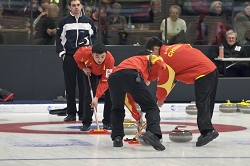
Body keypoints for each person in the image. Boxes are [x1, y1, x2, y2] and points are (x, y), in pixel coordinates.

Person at [145, 36, 219, 147]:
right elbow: (187, 50)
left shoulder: (164, 59)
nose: (152, 57)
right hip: (212, 69)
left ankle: (208, 131)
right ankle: (207, 130)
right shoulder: (174, 47)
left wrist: (160, 99)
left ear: (156, 48)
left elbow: (163, 82)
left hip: (202, 73)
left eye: (151, 53)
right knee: (208, 102)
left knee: (202, 102)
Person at [108, 50, 167, 151]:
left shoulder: (129, 61)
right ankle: (153, 134)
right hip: (132, 74)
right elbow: (160, 64)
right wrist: (150, 78)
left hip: (113, 78)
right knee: (152, 107)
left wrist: (137, 115)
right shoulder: (151, 57)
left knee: (117, 108)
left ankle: (117, 138)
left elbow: (128, 98)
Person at [56, 0, 96, 121]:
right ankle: (71, 113)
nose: (76, 7)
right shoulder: (64, 21)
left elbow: (93, 37)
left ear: (81, 6)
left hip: (84, 59)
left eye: (78, 5)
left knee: (84, 86)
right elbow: (59, 38)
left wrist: (89, 52)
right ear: (69, 7)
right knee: (70, 86)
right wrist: (62, 54)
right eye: (73, 5)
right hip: (69, 57)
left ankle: (83, 113)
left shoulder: (88, 21)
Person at [74, 43, 114, 131]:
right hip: (90, 72)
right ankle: (86, 123)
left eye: (102, 56)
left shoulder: (110, 60)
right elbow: (76, 58)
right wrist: (83, 68)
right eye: (97, 56)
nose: (100, 60)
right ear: (92, 54)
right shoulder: (83, 53)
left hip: (103, 75)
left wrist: (97, 97)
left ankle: (107, 122)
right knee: (88, 96)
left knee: (110, 95)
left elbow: (105, 81)